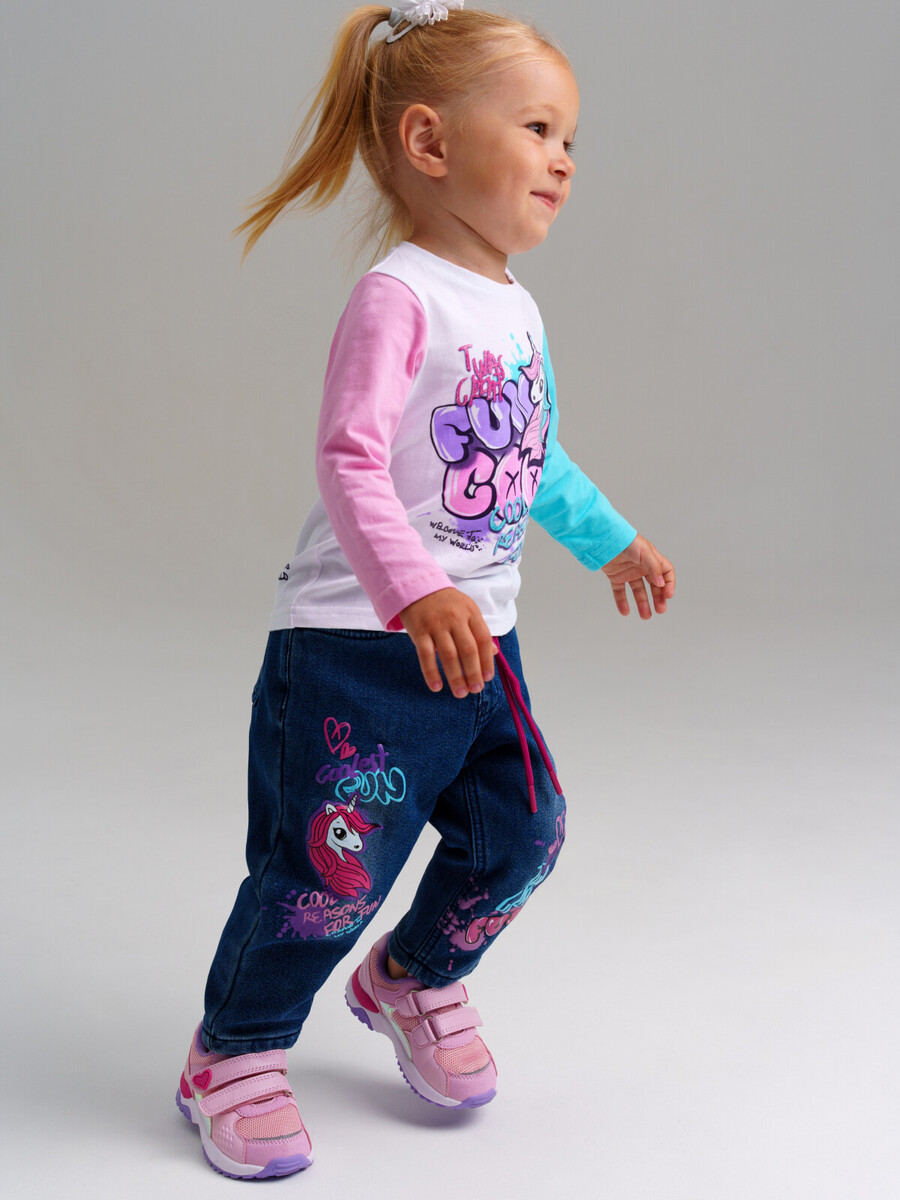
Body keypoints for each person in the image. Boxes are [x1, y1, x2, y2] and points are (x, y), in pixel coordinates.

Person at [175, 0, 675, 1180]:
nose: (564, 158)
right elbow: (349, 457)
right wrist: (412, 593)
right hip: (358, 646)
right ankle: (233, 1051)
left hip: (481, 642)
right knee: (329, 871)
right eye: (538, 129)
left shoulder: (516, 308)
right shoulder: (398, 296)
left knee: (525, 833)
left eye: (571, 139)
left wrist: (611, 541)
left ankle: (412, 978)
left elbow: (531, 455)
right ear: (429, 142)